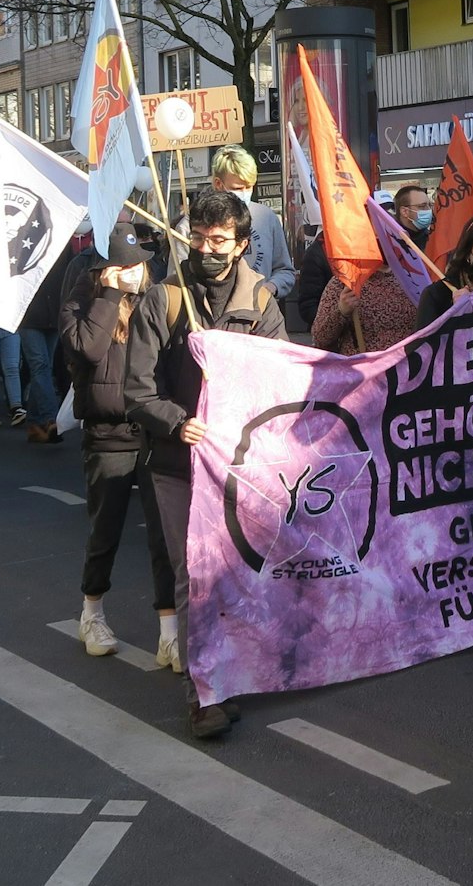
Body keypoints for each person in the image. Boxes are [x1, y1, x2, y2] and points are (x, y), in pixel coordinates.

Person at [125, 190, 288, 738]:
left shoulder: (261, 302)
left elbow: (277, 378)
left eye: (219, 240)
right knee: (192, 575)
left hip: (236, 467)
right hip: (176, 462)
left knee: (236, 573)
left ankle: (232, 676)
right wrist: (176, 421)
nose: (206, 248)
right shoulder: (163, 300)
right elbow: (136, 390)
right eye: (198, 236)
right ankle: (203, 694)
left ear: (242, 245)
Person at [61, 222, 177, 665]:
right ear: (101, 268)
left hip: (151, 430)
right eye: (120, 266)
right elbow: (87, 350)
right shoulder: (81, 301)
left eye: (136, 265)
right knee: (105, 530)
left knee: (163, 537)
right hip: (107, 432)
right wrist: (109, 296)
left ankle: (168, 631)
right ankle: (92, 612)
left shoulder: (157, 299)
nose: (131, 273)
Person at [209, 146, 298, 298]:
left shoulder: (267, 217)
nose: (244, 193)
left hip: (261, 315)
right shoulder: (194, 223)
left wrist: (271, 288)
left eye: (249, 187)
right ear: (218, 184)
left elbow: (285, 271)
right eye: (237, 188)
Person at [313, 262, 420, 355]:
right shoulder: (344, 283)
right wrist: (341, 311)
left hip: (406, 371)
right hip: (362, 372)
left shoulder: (413, 279)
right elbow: (320, 339)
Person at [19, 258, 68, 443]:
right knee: (40, 366)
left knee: (42, 369)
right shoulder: (25, 245)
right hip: (29, 316)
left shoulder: (61, 245)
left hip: (53, 315)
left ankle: (34, 423)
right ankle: (51, 418)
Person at [394, 184, 434, 252]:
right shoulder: (390, 240)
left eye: (430, 205)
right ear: (405, 211)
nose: (428, 210)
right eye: (422, 206)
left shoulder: (432, 239)